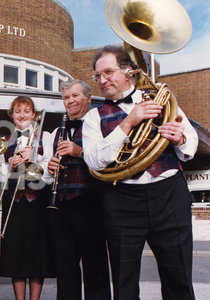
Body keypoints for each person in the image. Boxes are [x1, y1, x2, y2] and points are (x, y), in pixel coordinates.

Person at [82, 45, 198, 300]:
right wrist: (128, 122)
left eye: (108, 72)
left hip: (169, 195)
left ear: (128, 71)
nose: (102, 80)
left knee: (179, 279)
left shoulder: (163, 101)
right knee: (124, 283)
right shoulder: (93, 118)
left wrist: (179, 139)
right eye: (97, 76)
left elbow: (191, 143)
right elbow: (94, 161)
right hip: (122, 199)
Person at [43, 80, 110, 300]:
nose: (70, 101)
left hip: (90, 204)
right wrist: (49, 169)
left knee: (95, 267)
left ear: (88, 98)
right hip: (60, 208)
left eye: (75, 96)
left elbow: (109, 163)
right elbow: (45, 176)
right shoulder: (55, 133)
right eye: (66, 97)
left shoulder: (100, 125)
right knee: (65, 271)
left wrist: (79, 151)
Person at [0, 96, 54, 300]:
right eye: (18, 111)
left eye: (27, 111)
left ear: (33, 115)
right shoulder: (4, 140)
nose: (22, 115)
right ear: (12, 115)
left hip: (38, 203)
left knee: (38, 257)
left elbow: (50, 175)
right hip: (14, 204)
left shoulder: (45, 137)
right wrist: (9, 165)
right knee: (15, 257)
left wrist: (33, 159)